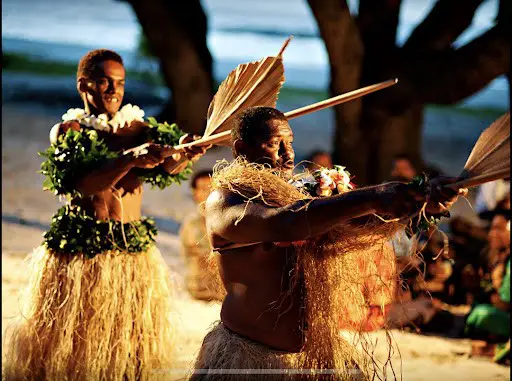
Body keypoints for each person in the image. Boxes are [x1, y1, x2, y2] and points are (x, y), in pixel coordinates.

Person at [191, 106, 464, 380]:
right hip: (248, 358)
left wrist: (419, 205)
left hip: (308, 359)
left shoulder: (297, 197)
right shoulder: (225, 201)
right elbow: (283, 224)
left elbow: (355, 227)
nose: (289, 155)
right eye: (275, 144)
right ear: (241, 149)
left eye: (291, 143)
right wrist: (372, 197)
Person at [4, 49, 207, 380]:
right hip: (81, 254)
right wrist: (128, 159)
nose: (114, 90)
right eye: (104, 82)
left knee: (129, 344)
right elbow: (81, 185)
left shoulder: (139, 127)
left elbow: (166, 165)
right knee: (77, 344)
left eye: (120, 83)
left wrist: (186, 152)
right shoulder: (69, 131)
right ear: (84, 86)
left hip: (132, 253)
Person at [180, 170, 224, 301]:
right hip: (197, 293)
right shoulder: (190, 223)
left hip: (224, 294)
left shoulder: (228, 221)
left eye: (211, 188)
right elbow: (187, 256)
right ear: (195, 193)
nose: (207, 193)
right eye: (203, 189)